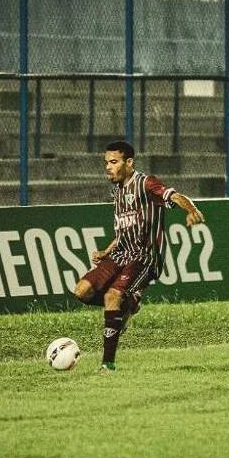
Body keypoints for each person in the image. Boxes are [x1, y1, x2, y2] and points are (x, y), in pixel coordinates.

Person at [73, 141, 205, 372]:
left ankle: (107, 363)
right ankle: (129, 304)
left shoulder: (146, 183)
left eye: (114, 162)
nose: (108, 167)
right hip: (121, 254)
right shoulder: (117, 191)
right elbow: (126, 228)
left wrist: (192, 210)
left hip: (145, 257)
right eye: (106, 163)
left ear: (129, 162)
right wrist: (107, 250)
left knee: (112, 296)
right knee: (82, 291)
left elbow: (174, 196)